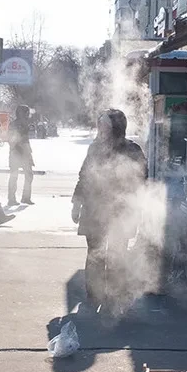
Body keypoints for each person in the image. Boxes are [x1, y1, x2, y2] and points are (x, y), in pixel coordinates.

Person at [71, 109, 146, 311]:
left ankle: (114, 297)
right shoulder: (95, 148)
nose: (101, 129)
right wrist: (76, 202)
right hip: (94, 210)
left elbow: (141, 181)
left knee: (117, 255)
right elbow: (84, 176)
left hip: (121, 212)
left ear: (117, 127)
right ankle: (95, 296)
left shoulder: (132, 150)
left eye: (104, 125)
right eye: (100, 125)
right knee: (95, 255)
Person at [7, 105, 35, 206]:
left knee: (26, 175)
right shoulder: (16, 124)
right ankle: (14, 199)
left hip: (22, 153)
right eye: (26, 113)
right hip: (17, 153)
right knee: (15, 176)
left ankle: (22, 198)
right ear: (21, 113)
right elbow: (12, 140)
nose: (28, 115)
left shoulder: (23, 124)